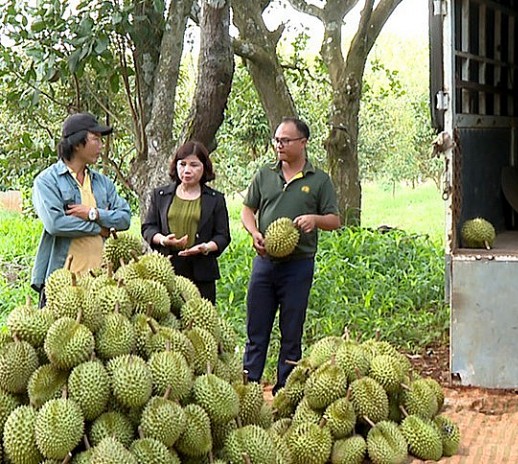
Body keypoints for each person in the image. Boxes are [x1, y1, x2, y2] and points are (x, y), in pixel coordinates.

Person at [241, 117, 341, 393]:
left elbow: (335, 220)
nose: (279, 145)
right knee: (256, 330)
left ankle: (286, 390)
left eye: (285, 140)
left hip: (298, 266)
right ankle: (249, 385)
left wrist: (314, 219)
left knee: (291, 330)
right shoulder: (265, 174)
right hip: (264, 263)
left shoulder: (319, 180)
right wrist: (254, 233)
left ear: (303, 143)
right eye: (276, 140)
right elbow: (247, 210)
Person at [31, 112, 132, 306]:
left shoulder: (102, 183)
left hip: (101, 282)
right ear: (77, 144)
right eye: (96, 139)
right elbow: (56, 223)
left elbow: (125, 218)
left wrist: (92, 213)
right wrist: (99, 228)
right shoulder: (47, 181)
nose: (101, 146)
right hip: (63, 282)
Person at [141, 141, 231, 304]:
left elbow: (223, 236)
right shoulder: (160, 195)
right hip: (166, 270)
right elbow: (148, 227)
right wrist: (162, 239)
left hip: (201, 273)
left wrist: (204, 248)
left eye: (194, 165)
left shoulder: (215, 199)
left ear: (204, 168)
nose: (187, 170)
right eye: (182, 164)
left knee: (199, 323)